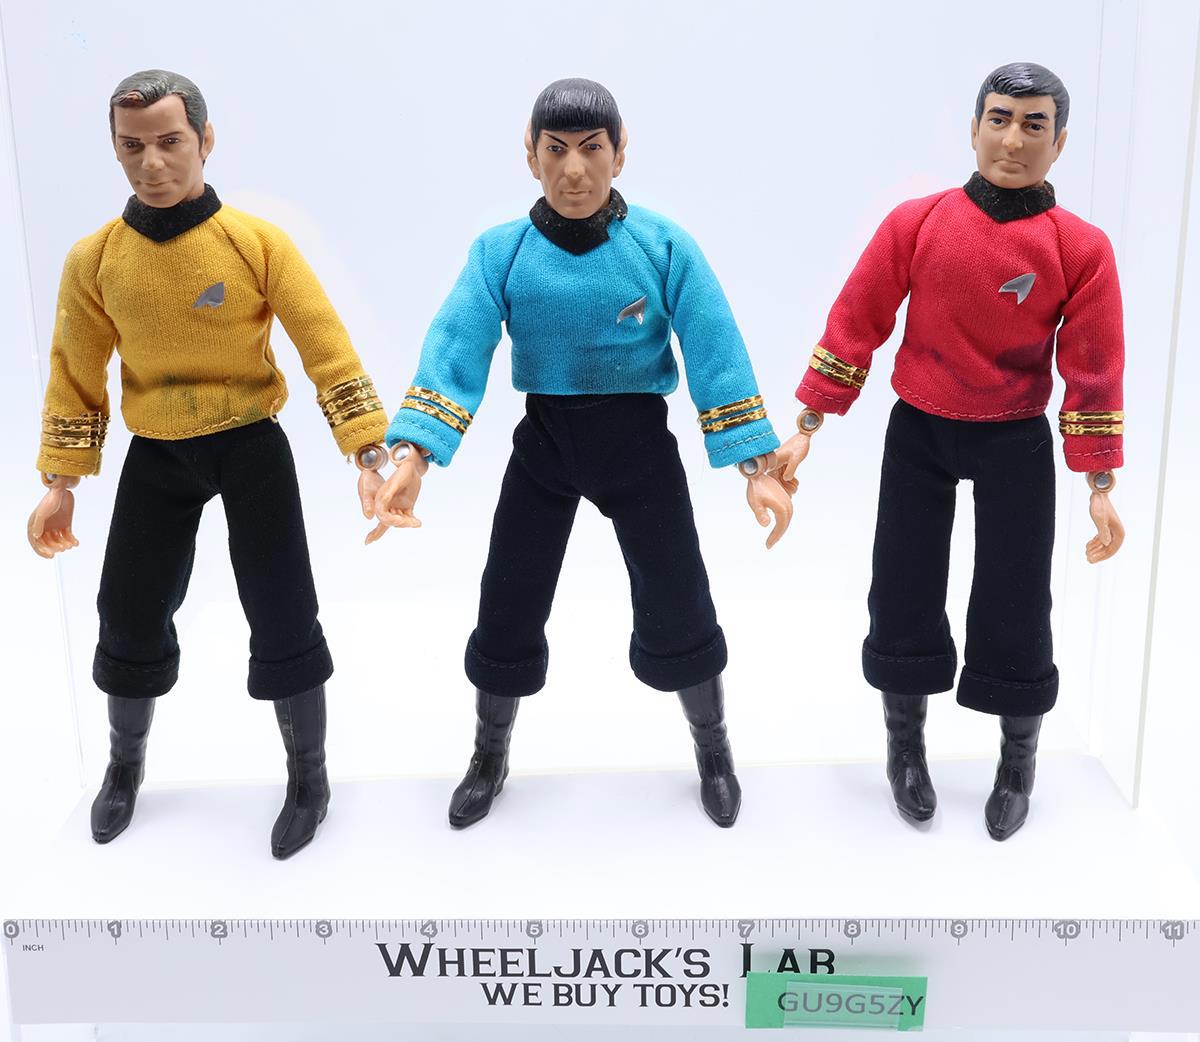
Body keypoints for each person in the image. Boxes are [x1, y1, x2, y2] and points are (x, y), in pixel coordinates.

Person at [372, 78, 793, 829]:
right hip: (545, 443)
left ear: (620, 153)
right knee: (508, 599)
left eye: (592, 149)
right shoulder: (502, 251)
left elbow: (714, 347)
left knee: (680, 597)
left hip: (639, 444)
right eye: (556, 150)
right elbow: (456, 347)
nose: (574, 170)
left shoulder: (661, 245)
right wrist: (416, 454)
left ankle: (714, 748)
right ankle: (489, 754)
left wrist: (754, 464)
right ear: (530, 156)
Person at [27, 69, 390, 859]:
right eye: (132, 147)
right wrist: (61, 482)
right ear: (114, 149)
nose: (152, 163)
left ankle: (309, 776)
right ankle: (124, 767)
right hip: (157, 453)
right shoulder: (96, 259)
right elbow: (75, 372)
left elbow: (324, 343)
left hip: (251, 443)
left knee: (283, 606)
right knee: (127, 608)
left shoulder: (254, 242)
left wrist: (367, 449)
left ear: (205, 140)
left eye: (170, 142)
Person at [775, 62, 1125, 840]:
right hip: (920, 431)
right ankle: (905, 748)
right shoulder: (918, 222)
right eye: (999, 119)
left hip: (1016, 437)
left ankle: (1018, 761)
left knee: (1017, 596)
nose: (1014, 139)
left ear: (1060, 143)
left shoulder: (1079, 248)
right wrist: (810, 422)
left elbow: (1094, 365)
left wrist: (1099, 482)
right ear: (972, 129)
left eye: (1034, 124)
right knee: (902, 584)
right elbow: (857, 318)